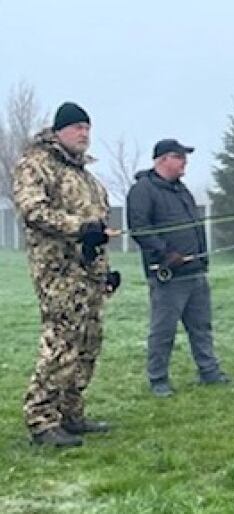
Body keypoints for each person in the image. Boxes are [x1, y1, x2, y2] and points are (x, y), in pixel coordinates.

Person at [13, 102, 120, 447]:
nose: (84, 134)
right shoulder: (37, 164)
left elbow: (98, 228)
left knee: (88, 344)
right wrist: (80, 227)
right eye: (77, 128)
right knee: (61, 343)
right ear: (59, 131)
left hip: (88, 274)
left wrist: (104, 270)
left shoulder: (87, 177)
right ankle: (41, 419)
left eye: (87, 128)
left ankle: (71, 414)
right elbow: (33, 210)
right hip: (58, 273)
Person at [126, 139, 232, 398]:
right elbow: (139, 229)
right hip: (168, 275)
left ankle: (209, 371)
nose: (185, 161)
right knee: (163, 330)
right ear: (162, 159)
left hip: (194, 270)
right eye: (179, 156)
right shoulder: (143, 190)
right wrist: (165, 253)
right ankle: (158, 379)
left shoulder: (181, 190)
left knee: (201, 326)